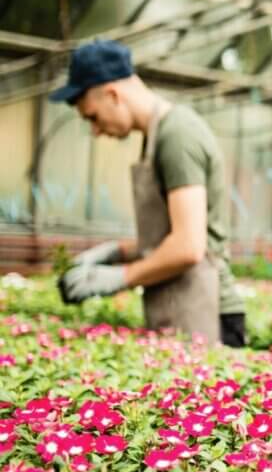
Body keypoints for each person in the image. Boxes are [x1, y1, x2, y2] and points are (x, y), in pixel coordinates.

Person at [51, 40, 246, 348]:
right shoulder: (157, 137)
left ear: (113, 95)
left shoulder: (177, 136)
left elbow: (189, 246)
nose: (96, 131)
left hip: (208, 310)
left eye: (92, 117)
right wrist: (114, 253)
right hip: (183, 303)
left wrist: (120, 277)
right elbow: (172, 234)